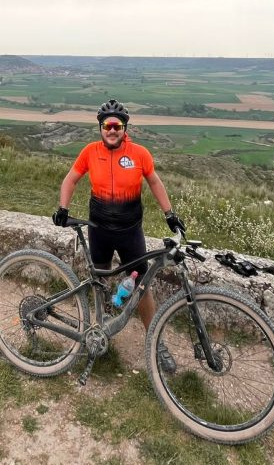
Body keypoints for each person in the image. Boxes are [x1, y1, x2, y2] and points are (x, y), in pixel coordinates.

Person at [52, 98, 186, 372]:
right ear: (100, 128)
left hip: (130, 232)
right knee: (99, 281)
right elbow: (71, 179)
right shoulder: (90, 152)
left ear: (125, 128)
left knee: (142, 286)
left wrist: (169, 214)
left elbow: (154, 181)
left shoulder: (139, 154)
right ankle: (99, 332)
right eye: (107, 125)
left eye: (117, 126)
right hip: (99, 230)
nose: (112, 130)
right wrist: (63, 208)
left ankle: (156, 342)